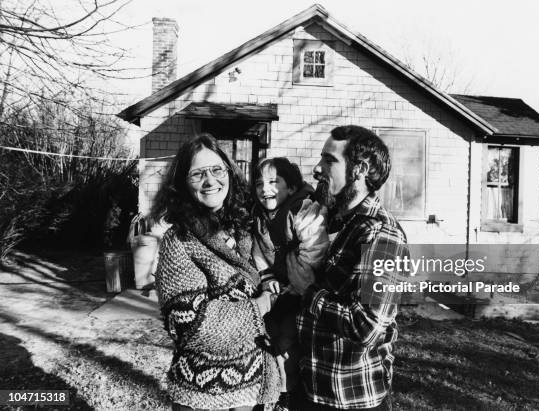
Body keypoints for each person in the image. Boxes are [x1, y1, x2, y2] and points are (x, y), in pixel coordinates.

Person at [151, 133, 281, 411]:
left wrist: (270, 286)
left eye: (217, 170)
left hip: (251, 382)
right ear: (182, 184)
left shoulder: (245, 228)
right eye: (198, 174)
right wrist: (257, 307)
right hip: (203, 391)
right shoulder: (180, 241)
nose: (210, 181)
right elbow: (187, 323)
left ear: (230, 174)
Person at [297, 125, 408, 410]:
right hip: (309, 390)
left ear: (360, 169)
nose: (317, 169)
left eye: (329, 160)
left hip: (350, 399)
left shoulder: (381, 234)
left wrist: (307, 293)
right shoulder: (331, 221)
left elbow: (367, 325)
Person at [251, 158, 329, 410]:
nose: (265, 188)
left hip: (300, 290)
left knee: (290, 343)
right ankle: (278, 390)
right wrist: (267, 276)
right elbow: (258, 251)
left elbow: (315, 246)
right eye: (260, 183)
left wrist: (297, 281)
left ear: (292, 188)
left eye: (274, 182)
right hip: (277, 290)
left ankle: (290, 394)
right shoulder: (260, 217)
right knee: (272, 341)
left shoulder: (302, 209)